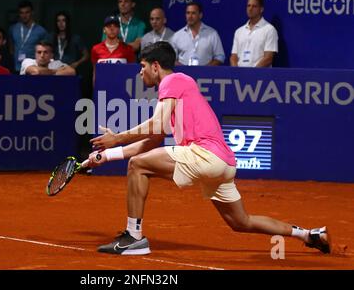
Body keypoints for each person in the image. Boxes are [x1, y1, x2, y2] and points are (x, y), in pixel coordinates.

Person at [88, 41, 330, 256]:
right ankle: (310, 235)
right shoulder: (177, 92)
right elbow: (152, 139)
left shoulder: (172, 80)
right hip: (223, 163)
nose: (140, 73)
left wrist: (116, 138)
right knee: (241, 222)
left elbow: (156, 125)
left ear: (155, 66)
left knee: (137, 165)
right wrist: (106, 155)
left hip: (205, 154)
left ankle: (133, 237)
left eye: (142, 66)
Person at [230, 0, 278, 68]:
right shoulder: (239, 31)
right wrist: (237, 73)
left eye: (254, 6)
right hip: (239, 77)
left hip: (260, 77)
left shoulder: (269, 29)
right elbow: (233, 57)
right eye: (248, 6)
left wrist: (253, 74)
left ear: (261, 9)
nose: (250, 9)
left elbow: (268, 58)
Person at [170, 2, 225, 66]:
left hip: (205, 75)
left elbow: (220, 57)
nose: (190, 16)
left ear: (200, 15)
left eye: (193, 13)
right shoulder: (177, 36)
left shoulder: (212, 34)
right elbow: (171, 59)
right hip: (184, 75)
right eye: (188, 13)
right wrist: (184, 70)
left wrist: (206, 70)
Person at [91, 16, 136, 84]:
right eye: (109, 26)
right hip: (102, 89)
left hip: (121, 88)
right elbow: (95, 73)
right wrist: (95, 91)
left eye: (115, 26)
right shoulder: (96, 49)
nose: (112, 29)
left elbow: (132, 73)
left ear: (119, 29)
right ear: (104, 30)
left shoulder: (128, 49)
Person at [9, 0, 48, 73]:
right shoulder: (13, 28)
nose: (24, 15)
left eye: (27, 12)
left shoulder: (41, 31)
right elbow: (11, 46)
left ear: (32, 13)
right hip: (15, 68)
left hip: (33, 68)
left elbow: (46, 51)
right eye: (21, 13)